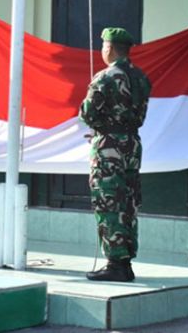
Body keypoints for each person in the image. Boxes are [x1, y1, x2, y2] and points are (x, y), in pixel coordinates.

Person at [79, 27, 151, 282]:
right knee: (128, 201)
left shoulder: (105, 77)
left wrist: (102, 128)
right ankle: (126, 260)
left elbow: (87, 113)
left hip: (109, 147)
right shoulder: (140, 77)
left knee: (108, 201)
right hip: (131, 144)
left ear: (109, 48)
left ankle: (115, 262)